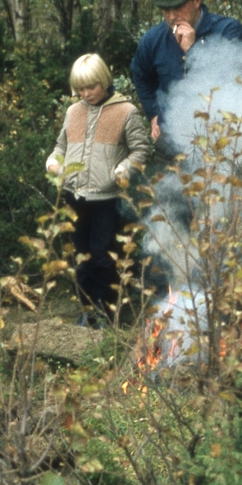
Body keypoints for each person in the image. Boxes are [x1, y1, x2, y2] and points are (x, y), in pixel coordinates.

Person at [47, 54, 150, 326]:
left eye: (91, 87)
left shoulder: (126, 112)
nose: (85, 93)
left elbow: (141, 150)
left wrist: (125, 169)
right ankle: (86, 310)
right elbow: (61, 147)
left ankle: (106, 312)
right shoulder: (73, 112)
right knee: (79, 256)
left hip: (107, 200)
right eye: (80, 88)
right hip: (74, 196)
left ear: (104, 81)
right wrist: (53, 162)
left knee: (103, 256)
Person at [131, 0, 242, 155]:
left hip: (219, 134)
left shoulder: (228, 30)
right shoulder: (154, 38)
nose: (171, 16)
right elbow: (140, 74)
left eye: (177, 8)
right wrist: (153, 114)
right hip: (172, 137)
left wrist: (192, 50)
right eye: (165, 10)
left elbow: (232, 82)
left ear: (196, 1)